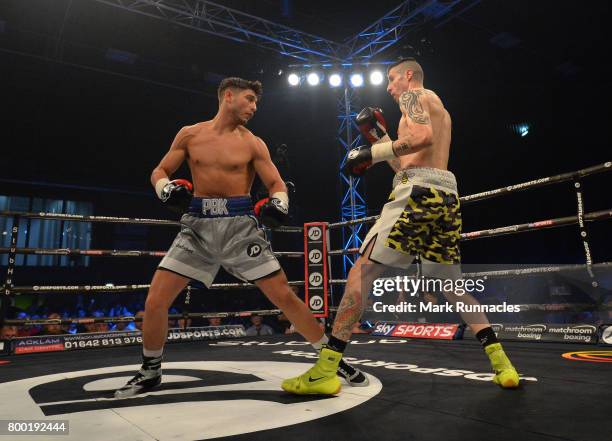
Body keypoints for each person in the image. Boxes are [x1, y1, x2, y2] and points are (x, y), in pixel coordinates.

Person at [115, 77, 366, 399]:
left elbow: (276, 183)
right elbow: (159, 171)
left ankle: (333, 361)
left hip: (240, 228)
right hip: (197, 228)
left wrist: (280, 203)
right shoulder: (189, 134)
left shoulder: (253, 143)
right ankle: (150, 371)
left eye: (256, 102)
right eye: (249, 99)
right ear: (228, 96)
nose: (254, 107)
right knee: (155, 300)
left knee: (285, 297)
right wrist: (165, 189)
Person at [282, 58, 520, 395]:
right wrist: (382, 140)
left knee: (359, 274)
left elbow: (420, 139)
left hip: (416, 194)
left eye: (393, 79)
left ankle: (325, 370)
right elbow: (408, 161)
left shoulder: (415, 95)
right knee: (452, 285)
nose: (391, 89)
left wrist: (372, 151)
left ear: (409, 75)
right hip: (445, 197)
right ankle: (503, 365)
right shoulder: (439, 108)